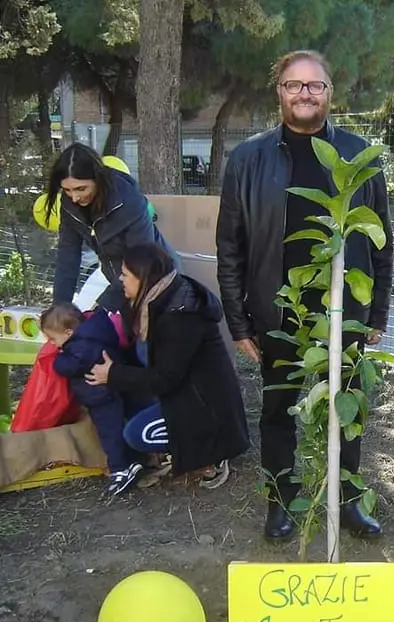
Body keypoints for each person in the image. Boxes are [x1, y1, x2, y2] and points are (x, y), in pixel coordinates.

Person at [216, 50, 393, 541]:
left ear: (329, 93)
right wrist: (239, 321)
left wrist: (377, 310)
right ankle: (281, 501)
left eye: (314, 86)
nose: (304, 94)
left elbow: (381, 239)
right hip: (279, 310)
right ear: (280, 93)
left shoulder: (358, 158)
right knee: (277, 411)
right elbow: (229, 245)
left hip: (345, 312)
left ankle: (348, 499)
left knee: (346, 406)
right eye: (294, 85)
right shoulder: (249, 159)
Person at [85, 244, 250, 491]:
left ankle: (211, 454)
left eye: (125, 274)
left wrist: (113, 373)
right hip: (188, 395)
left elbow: (164, 379)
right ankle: (189, 447)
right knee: (127, 398)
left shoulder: (180, 316)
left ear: (143, 278)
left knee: (137, 434)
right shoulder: (161, 297)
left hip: (209, 410)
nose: (121, 280)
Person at [47, 143, 180, 311]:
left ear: (98, 179)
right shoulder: (69, 206)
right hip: (122, 283)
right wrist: (59, 308)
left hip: (157, 281)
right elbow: (68, 257)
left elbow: (141, 263)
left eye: (81, 188)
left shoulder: (129, 202)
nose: (74, 197)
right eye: (67, 190)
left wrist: (102, 307)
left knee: (141, 335)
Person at [41, 302, 144, 495]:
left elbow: (71, 366)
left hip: (102, 398)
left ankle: (120, 471)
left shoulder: (81, 346)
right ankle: (132, 461)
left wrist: (57, 361)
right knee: (118, 428)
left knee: (109, 434)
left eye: (53, 339)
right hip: (107, 393)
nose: (52, 344)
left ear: (68, 332)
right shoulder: (91, 336)